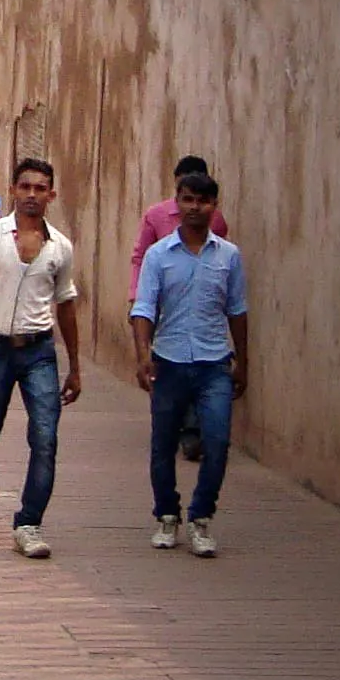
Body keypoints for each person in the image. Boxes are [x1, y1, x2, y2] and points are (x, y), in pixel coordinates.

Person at [0, 155, 83, 559]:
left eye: (40, 188)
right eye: (25, 187)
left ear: (51, 195)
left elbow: (67, 306)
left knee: (45, 436)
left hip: (39, 351)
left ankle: (29, 522)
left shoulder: (60, 248)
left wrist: (74, 366)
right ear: (14, 189)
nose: (32, 195)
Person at [131, 170, 248, 558]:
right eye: (188, 200)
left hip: (215, 363)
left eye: (203, 201)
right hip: (170, 362)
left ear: (215, 206)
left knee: (216, 441)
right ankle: (167, 514)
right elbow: (144, 307)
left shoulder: (229, 256)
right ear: (177, 203)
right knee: (163, 443)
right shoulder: (159, 256)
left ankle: (201, 518)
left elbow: (237, 310)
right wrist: (142, 353)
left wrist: (243, 361)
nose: (195, 207)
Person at [132, 155, 234, 464]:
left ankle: (192, 430)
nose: (194, 206)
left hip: (199, 311)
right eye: (186, 191)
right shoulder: (156, 215)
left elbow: (218, 258)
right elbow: (140, 256)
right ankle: (174, 423)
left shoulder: (215, 221)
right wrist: (137, 298)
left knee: (198, 363)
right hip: (161, 303)